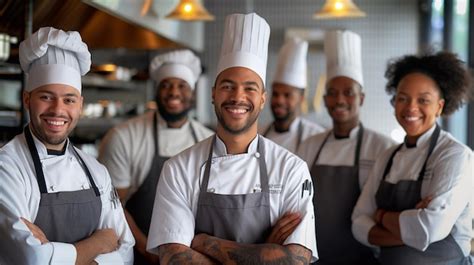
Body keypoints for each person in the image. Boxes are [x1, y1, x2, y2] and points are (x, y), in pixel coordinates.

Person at [147, 13, 317, 264]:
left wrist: (206, 243)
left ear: (262, 99)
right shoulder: (179, 168)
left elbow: (295, 260)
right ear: (214, 93)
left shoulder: (291, 169)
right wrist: (264, 251)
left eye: (250, 87)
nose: (238, 97)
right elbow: (174, 257)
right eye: (227, 86)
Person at [0, 27, 134, 264]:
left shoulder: (95, 170)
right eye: (46, 97)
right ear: (27, 99)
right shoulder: (7, 168)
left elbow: (126, 251)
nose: (58, 110)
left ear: (80, 104)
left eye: (69, 99)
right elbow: (32, 259)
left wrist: (54, 252)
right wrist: (98, 243)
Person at [351, 51, 473, 265]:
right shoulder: (387, 156)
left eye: (423, 100)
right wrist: (410, 227)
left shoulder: (456, 155)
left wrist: (380, 216)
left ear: (440, 107)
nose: (411, 108)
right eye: (402, 98)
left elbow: (430, 229)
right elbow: (358, 225)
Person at [98, 49, 213, 264]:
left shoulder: (209, 141)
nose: (173, 92)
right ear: (156, 90)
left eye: (182, 85)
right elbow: (113, 206)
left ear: (193, 92)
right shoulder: (124, 137)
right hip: (136, 255)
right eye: (166, 85)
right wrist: (148, 250)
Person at [297, 30, 395, 265]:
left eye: (348, 93)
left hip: (364, 258)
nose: (339, 100)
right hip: (315, 257)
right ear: (325, 99)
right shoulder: (310, 146)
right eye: (332, 93)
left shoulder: (384, 148)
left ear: (361, 98)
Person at [261, 37, 324, 153]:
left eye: (287, 95)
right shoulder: (258, 134)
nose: (279, 100)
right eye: (275, 94)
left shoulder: (317, 137)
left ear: (301, 97)